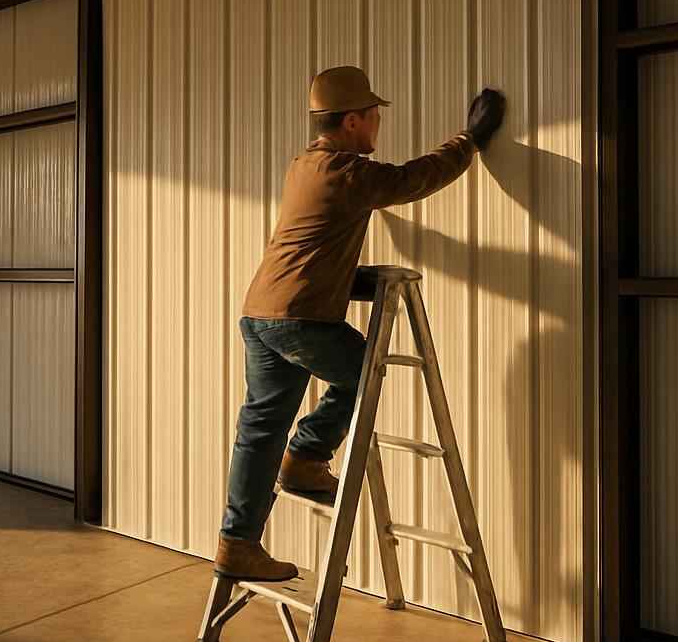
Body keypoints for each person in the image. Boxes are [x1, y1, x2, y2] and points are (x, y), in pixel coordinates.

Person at [214, 65, 506, 581]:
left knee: (258, 429)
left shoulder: (303, 166)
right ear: (352, 121)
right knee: (366, 369)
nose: (377, 125)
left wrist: (355, 276)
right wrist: (470, 140)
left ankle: (237, 543)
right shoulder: (350, 174)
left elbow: (316, 249)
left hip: (260, 313)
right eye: (373, 116)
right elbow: (414, 179)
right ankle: (306, 456)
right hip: (298, 318)